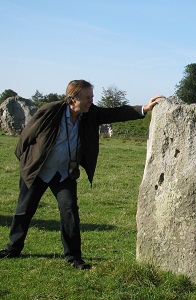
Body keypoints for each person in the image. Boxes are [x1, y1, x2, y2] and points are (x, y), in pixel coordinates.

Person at [0, 79, 164, 270]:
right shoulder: (50, 111)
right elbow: (26, 137)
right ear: (72, 99)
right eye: (87, 97)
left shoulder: (90, 113)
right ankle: (13, 248)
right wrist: (26, 164)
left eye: (92, 97)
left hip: (63, 173)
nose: (91, 101)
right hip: (38, 171)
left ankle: (73, 257)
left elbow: (114, 113)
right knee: (24, 210)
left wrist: (143, 108)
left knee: (70, 212)